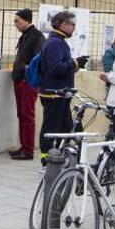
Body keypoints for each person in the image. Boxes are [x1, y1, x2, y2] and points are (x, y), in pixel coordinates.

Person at [38, 10, 88, 160]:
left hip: (61, 94)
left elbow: (59, 66)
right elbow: (55, 68)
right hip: (54, 94)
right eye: (72, 24)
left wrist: (75, 64)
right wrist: (74, 63)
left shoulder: (59, 42)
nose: (74, 28)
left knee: (68, 128)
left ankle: (65, 157)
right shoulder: (55, 43)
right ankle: (46, 160)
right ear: (62, 24)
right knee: (51, 129)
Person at [9, 8, 44, 160]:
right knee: (22, 114)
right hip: (20, 80)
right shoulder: (25, 36)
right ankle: (23, 146)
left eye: (17, 21)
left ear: (26, 20)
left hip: (28, 81)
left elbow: (38, 59)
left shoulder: (36, 36)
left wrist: (26, 70)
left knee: (27, 115)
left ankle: (28, 150)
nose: (15, 24)